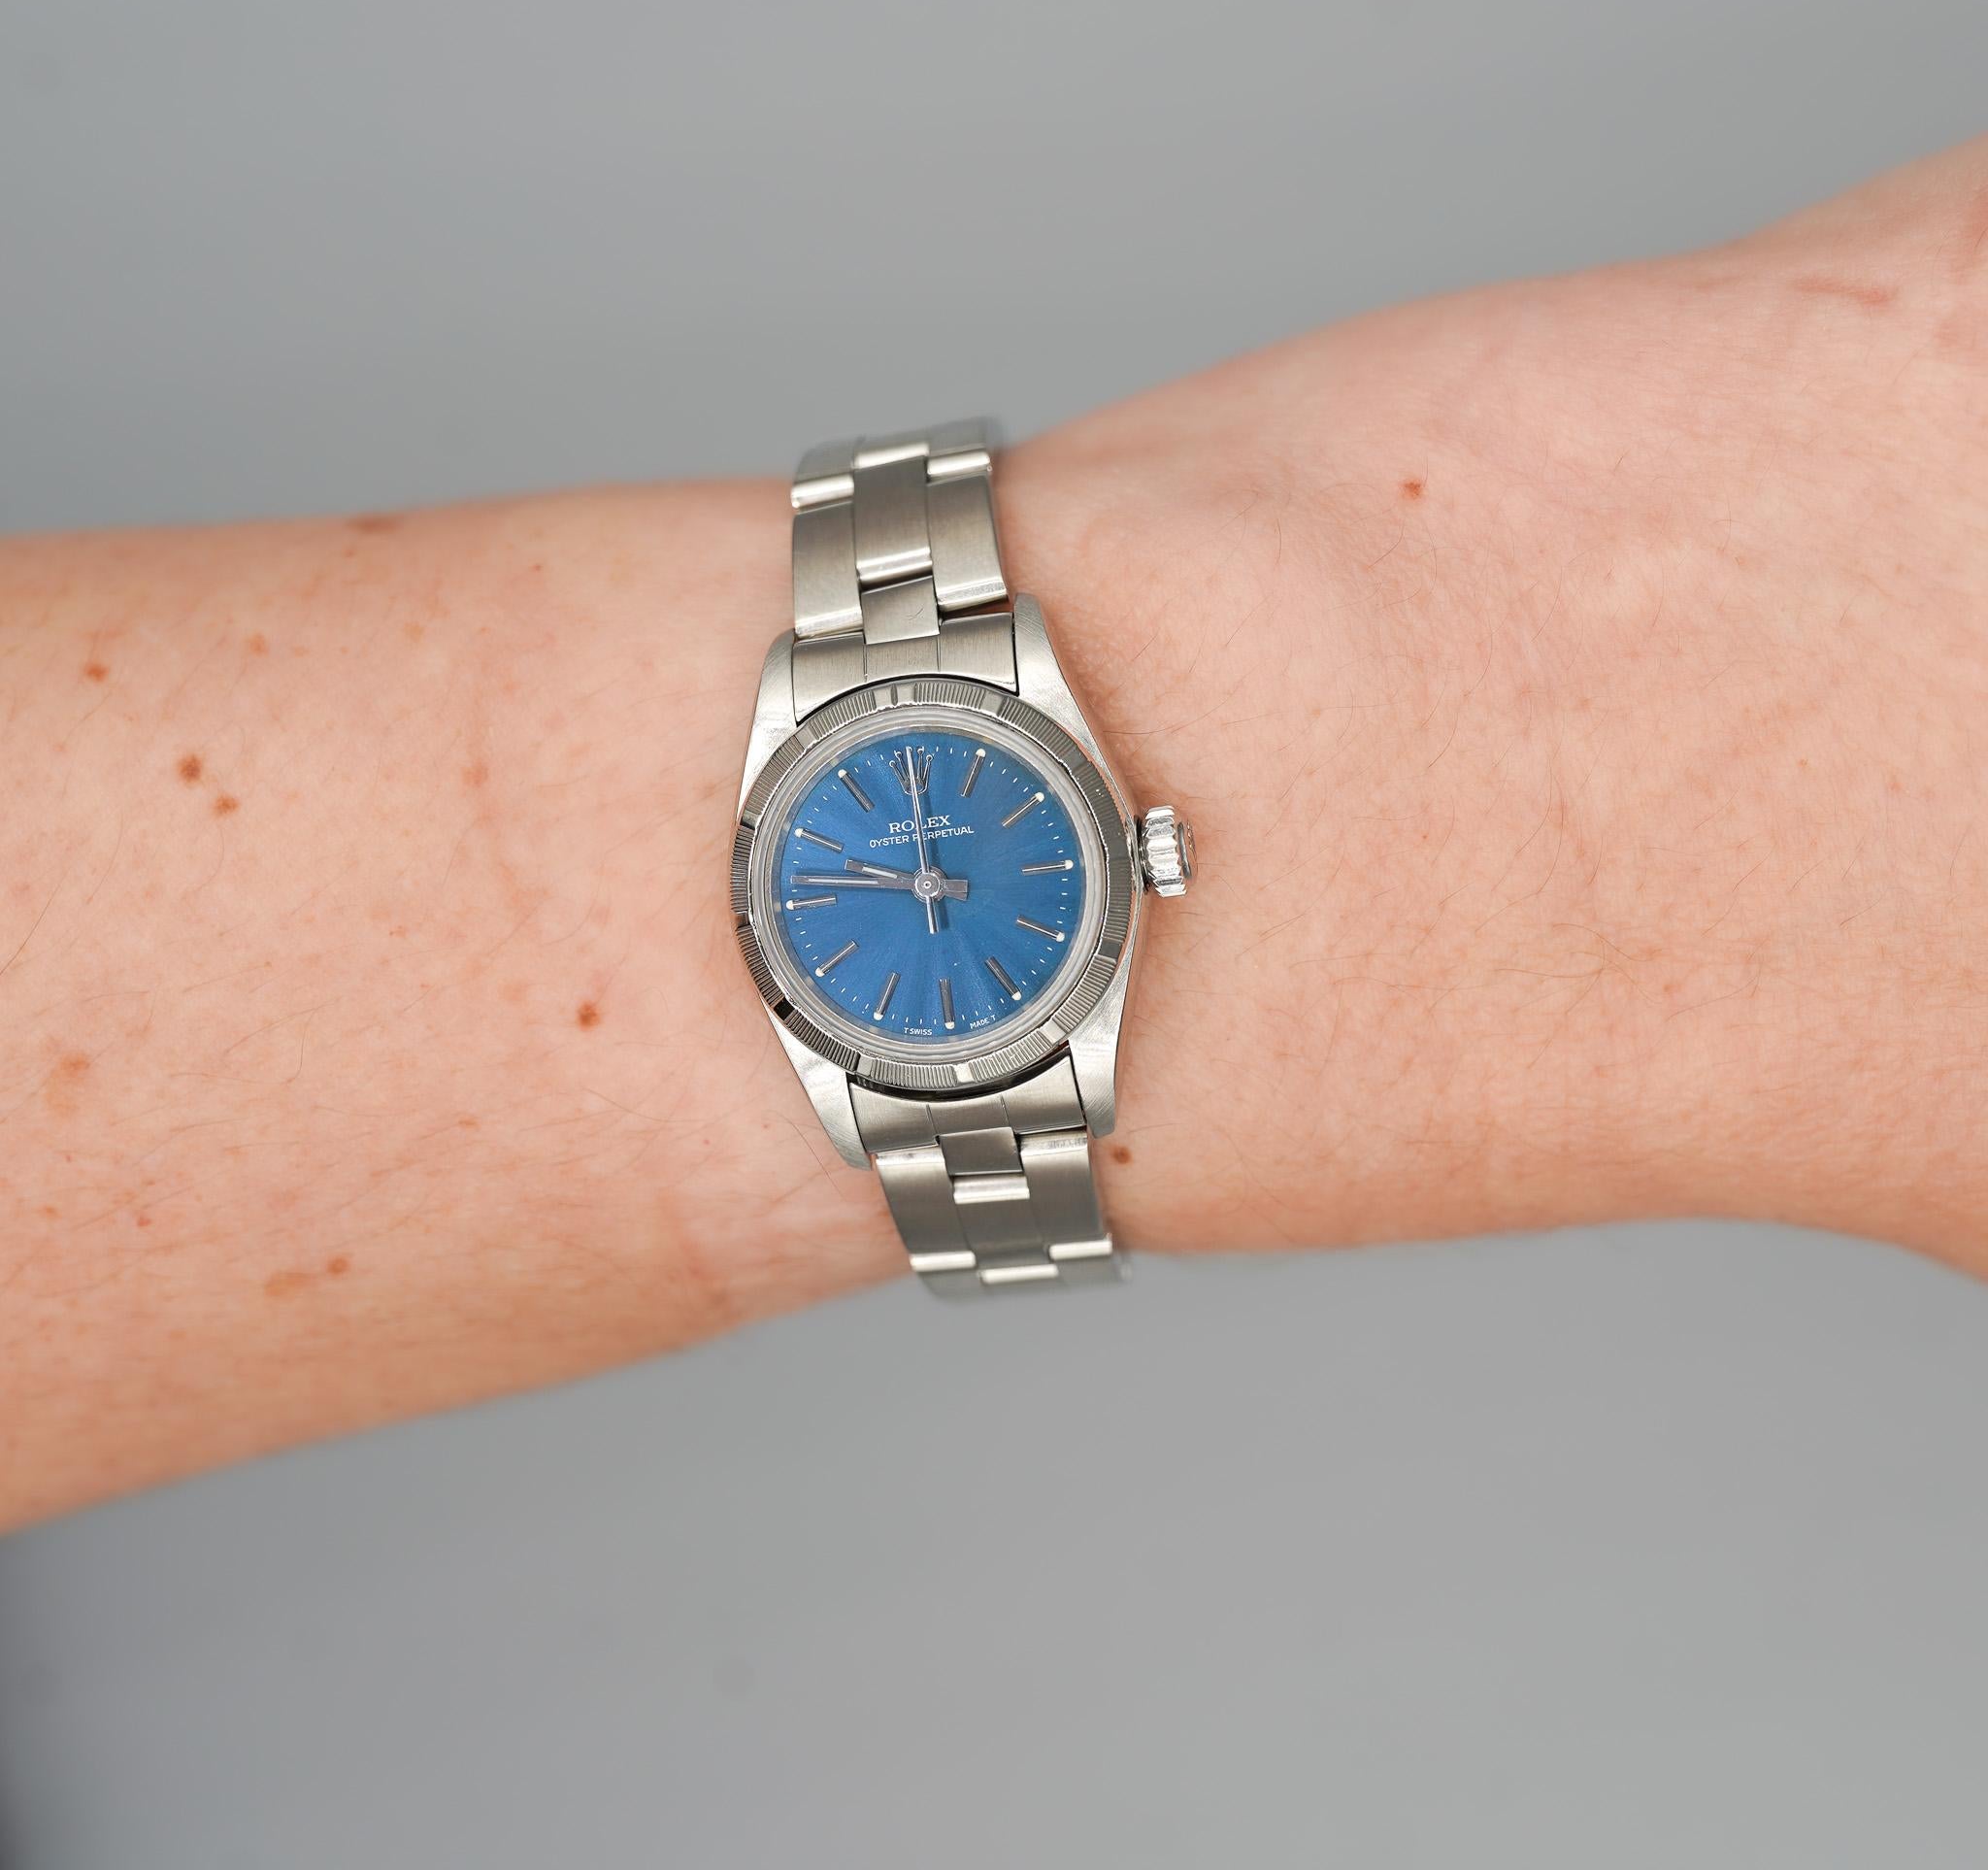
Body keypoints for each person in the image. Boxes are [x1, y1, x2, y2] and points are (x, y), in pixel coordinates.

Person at [4, 141, 1983, 1532]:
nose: (936, 876)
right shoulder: (919, 910)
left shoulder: (987, 892)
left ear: (1144, 857)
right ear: (1136, 860)